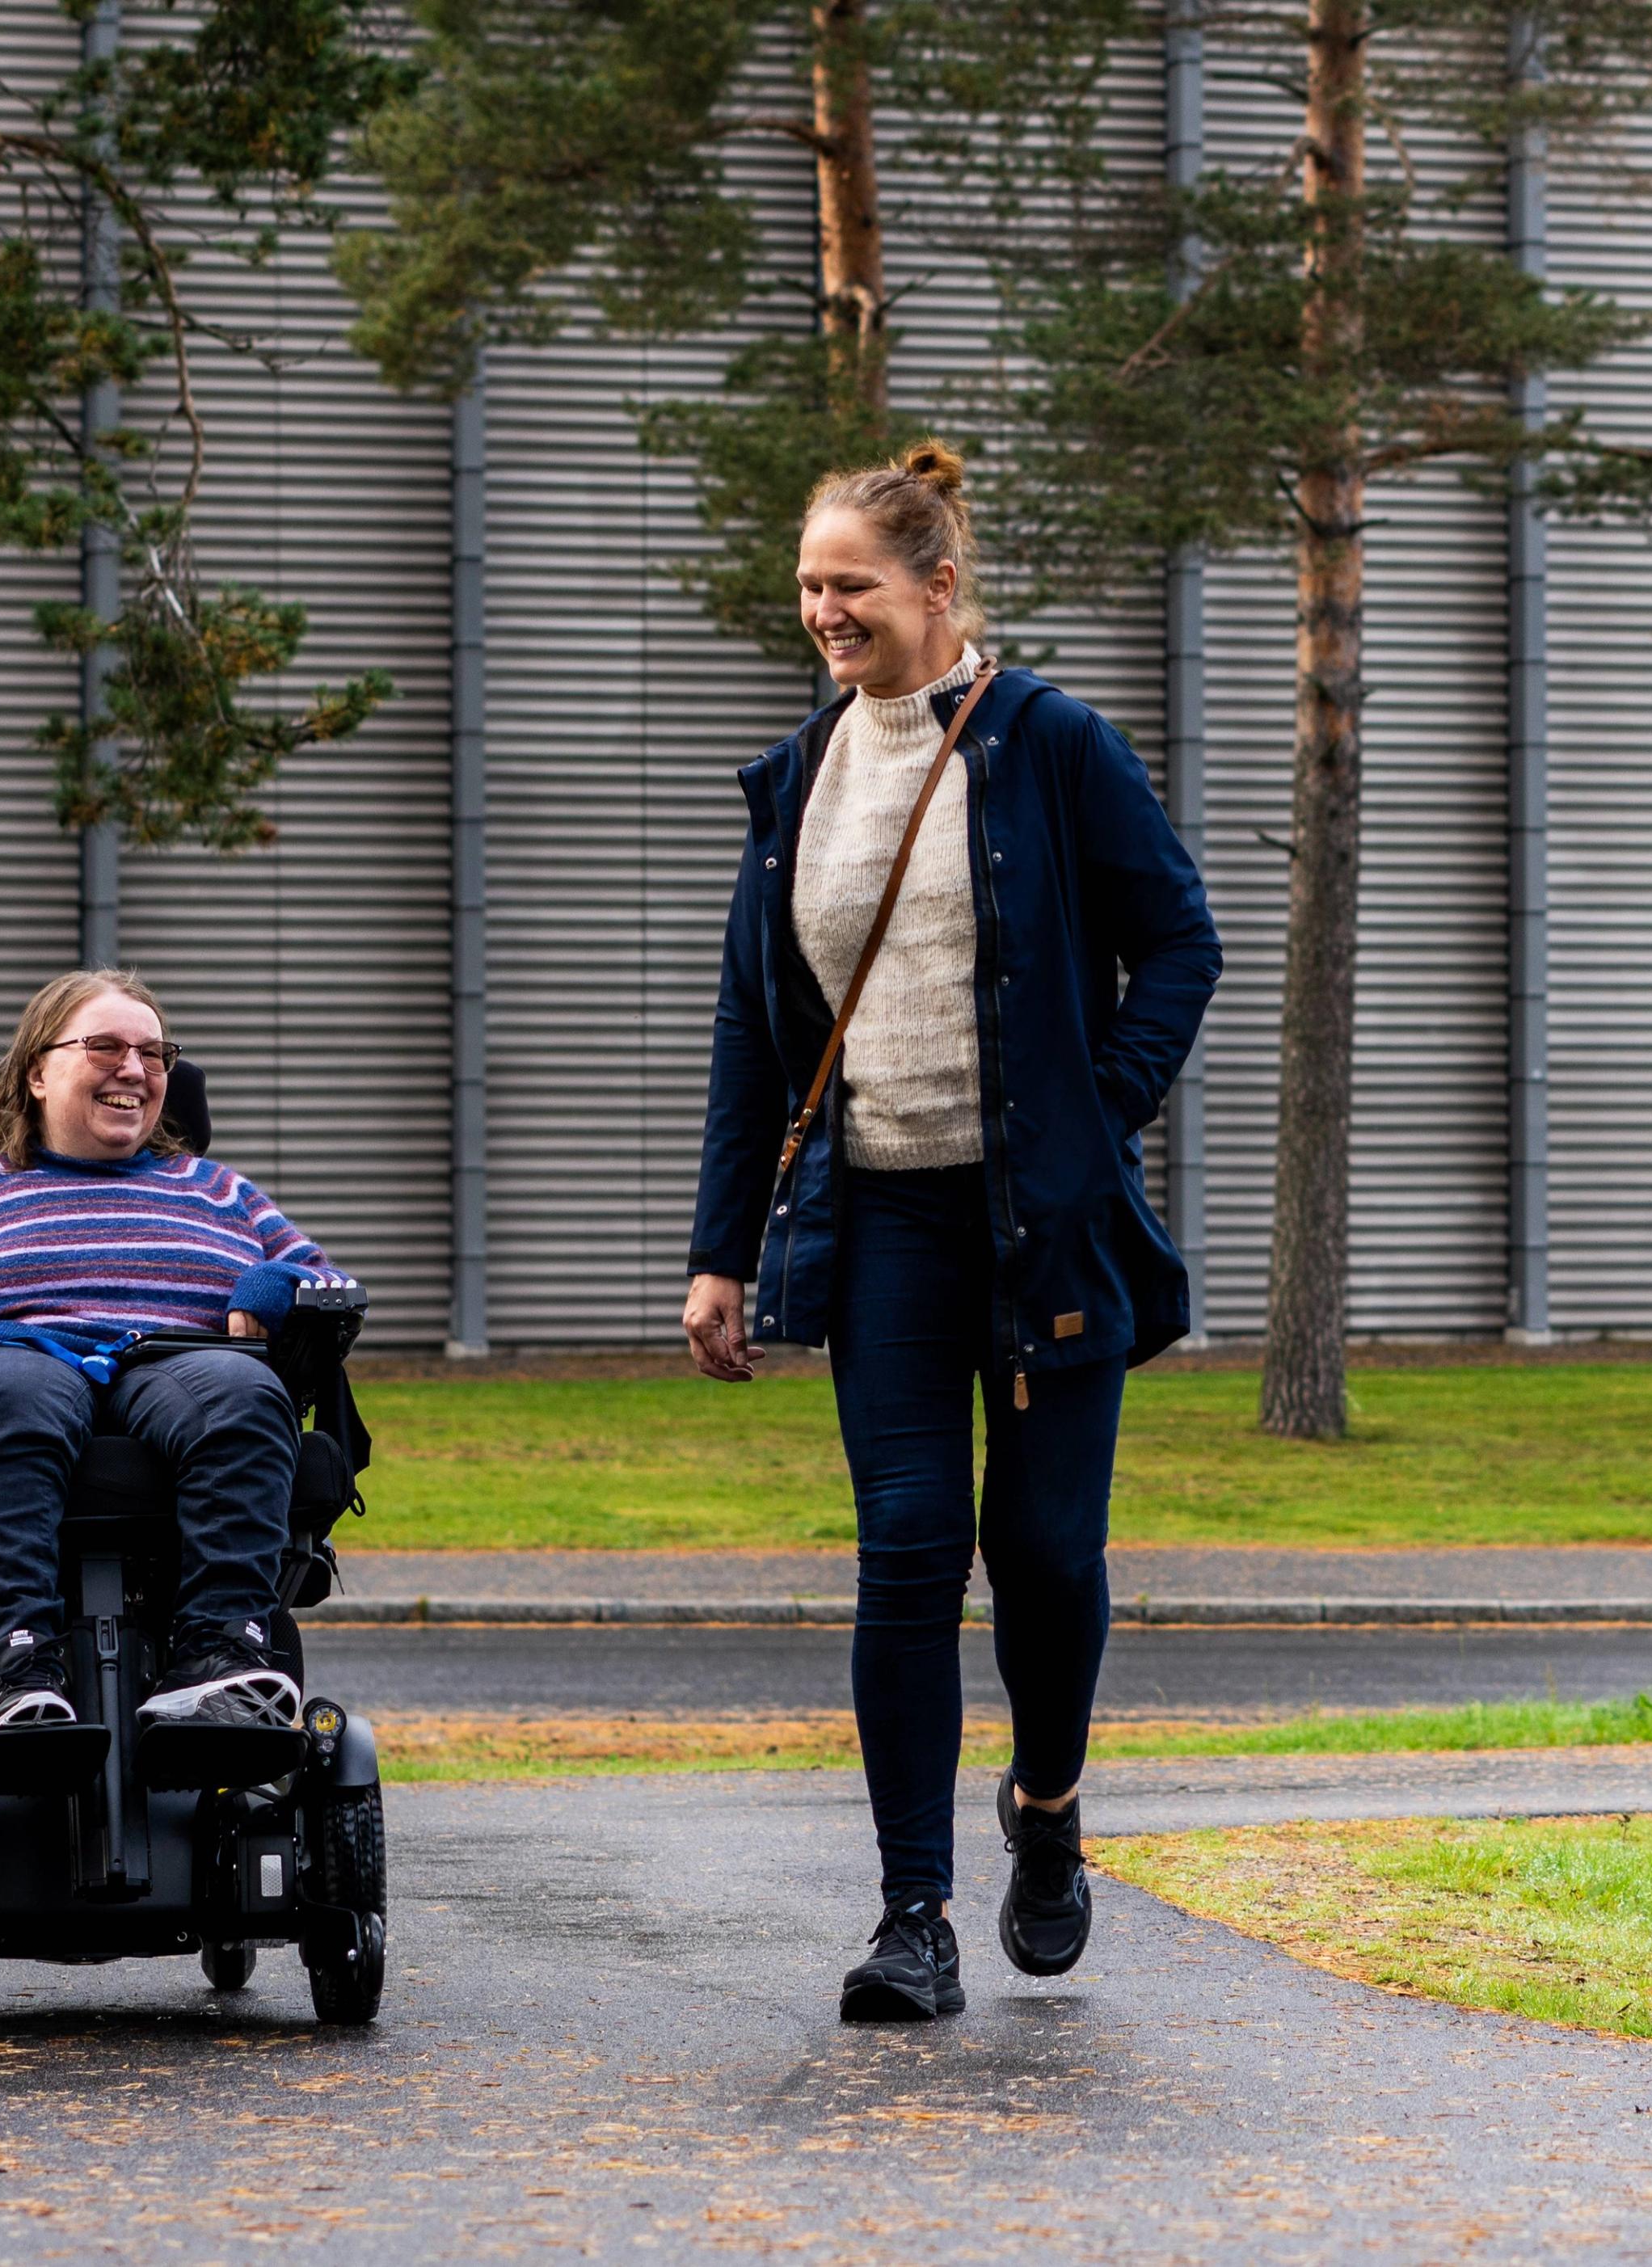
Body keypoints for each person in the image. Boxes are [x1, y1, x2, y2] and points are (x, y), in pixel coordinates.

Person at [682, 441, 1220, 2023]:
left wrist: (1094, 1108)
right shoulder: (797, 781)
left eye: (848, 582)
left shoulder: (1051, 742)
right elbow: (751, 1035)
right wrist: (722, 1251)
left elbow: (1177, 938)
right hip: (887, 1221)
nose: (823, 609)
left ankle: (1044, 1812)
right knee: (908, 1550)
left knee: (1042, 1556)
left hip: (1045, 1225)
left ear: (935, 584)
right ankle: (911, 1911)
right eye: (808, 585)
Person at [0, 968, 351, 1735]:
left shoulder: (218, 1188)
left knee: (243, 1394)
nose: (134, 1069)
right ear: (37, 1071)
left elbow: (329, 1280)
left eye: (154, 1053)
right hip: (12, 1353)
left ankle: (221, 1659)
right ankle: (18, 1668)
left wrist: (273, 1281)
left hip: (178, 1358)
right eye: (104, 1046)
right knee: (13, 1395)